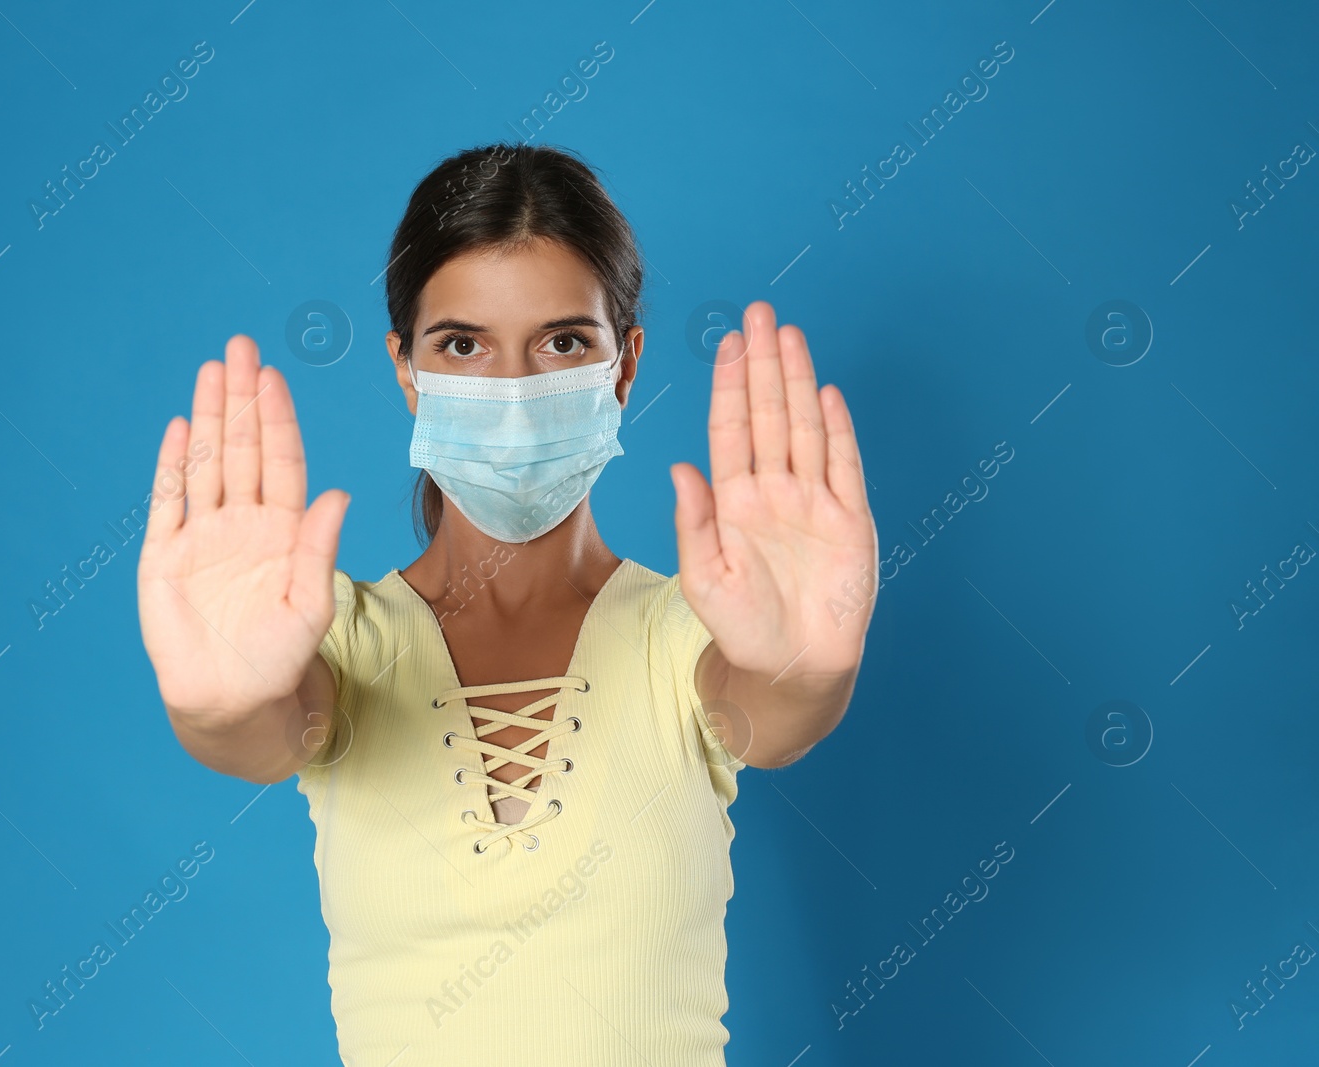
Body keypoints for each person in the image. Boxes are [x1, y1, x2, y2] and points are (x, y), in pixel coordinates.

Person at [136, 142, 879, 1065]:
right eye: (462, 344)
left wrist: (804, 661)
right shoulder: (335, 641)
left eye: (564, 341)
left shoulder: (695, 635)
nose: (516, 392)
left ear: (625, 365)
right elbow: (259, 734)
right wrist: (220, 700)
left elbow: (774, 714)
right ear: (405, 368)